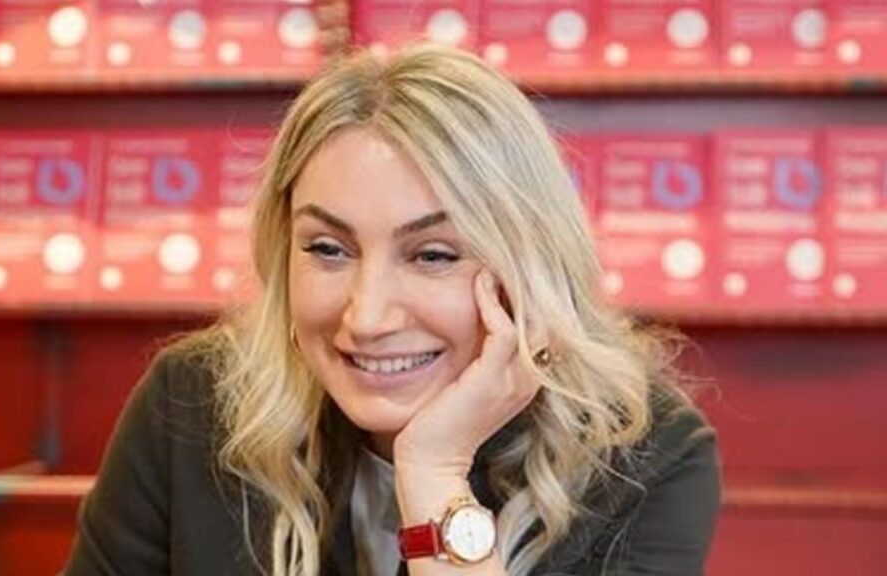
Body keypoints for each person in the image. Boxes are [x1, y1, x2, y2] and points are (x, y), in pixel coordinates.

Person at [63, 44, 721, 576]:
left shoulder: (644, 456)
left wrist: (435, 475)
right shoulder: (192, 403)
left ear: (529, 266)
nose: (368, 317)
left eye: (432, 255)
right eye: (328, 249)